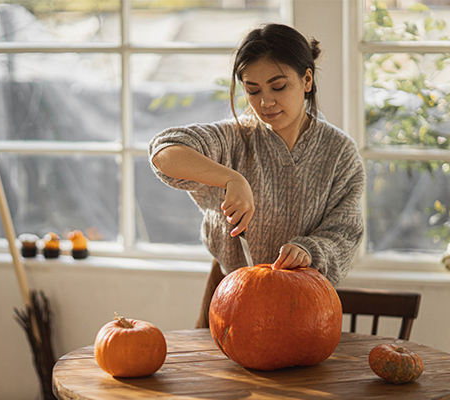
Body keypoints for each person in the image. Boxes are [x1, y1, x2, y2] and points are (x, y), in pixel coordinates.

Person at [148, 23, 365, 329]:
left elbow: (344, 233)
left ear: (306, 79)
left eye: (278, 87)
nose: (265, 102)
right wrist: (231, 178)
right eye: (253, 90)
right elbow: (163, 150)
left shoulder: (340, 152)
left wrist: (308, 250)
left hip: (306, 305)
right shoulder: (233, 140)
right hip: (231, 296)